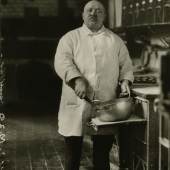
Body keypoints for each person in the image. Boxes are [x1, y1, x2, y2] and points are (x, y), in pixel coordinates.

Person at [54, 0, 134, 170]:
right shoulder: (70, 38)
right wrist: (77, 79)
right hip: (76, 103)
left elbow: (126, 66)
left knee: (102, 154)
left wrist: (126, 81)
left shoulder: (115, 41)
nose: (93, 13)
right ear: (83, 14)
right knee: (72, 155)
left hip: (105, 104)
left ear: (104, 16)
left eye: (98, 11)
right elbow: (62, 62)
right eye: (89, 10)